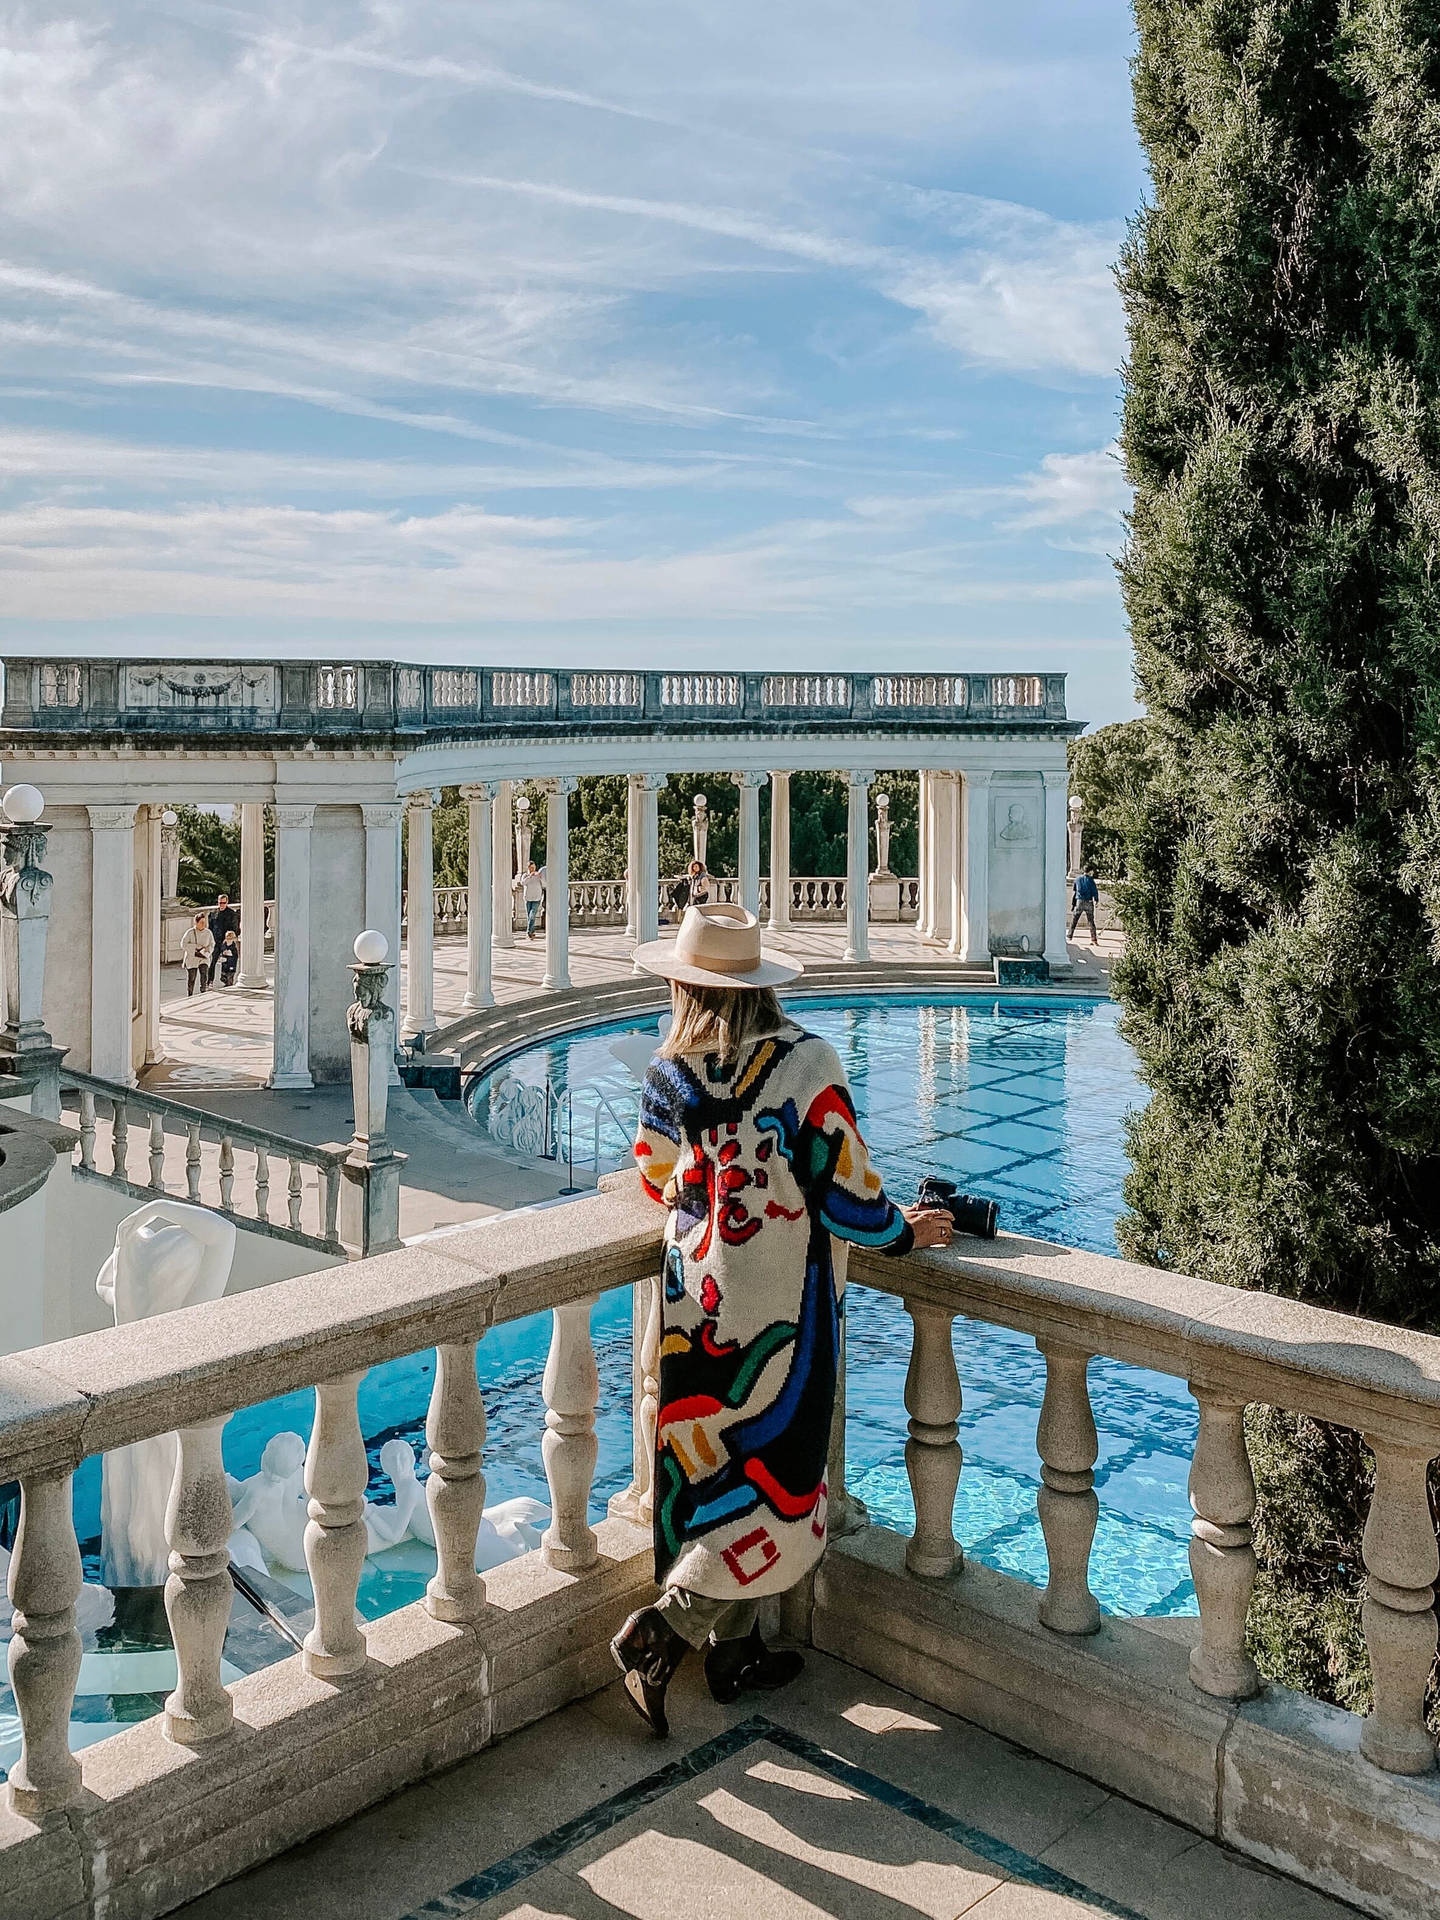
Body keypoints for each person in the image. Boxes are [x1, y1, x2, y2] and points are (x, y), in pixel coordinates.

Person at [610, 903, 952, 1736]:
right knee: (779, 1479)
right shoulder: (807, 1062)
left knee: (714, 1472)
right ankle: (663, 1632)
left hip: (694, 1304)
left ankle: (736, 1651)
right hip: (780, 1307)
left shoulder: (670, 1071)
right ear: (763, 986)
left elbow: (656, 1178)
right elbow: (846, 1191)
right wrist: (907, 1230)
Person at [207, 892, 240, 982]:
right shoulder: (213, 914)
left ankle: (226, 978)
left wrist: (229, 939)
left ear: (227, 902)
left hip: (227, 942)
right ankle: (209, 981)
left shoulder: (232, 914)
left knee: (227, 962)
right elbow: (210, 929)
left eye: (223, 903)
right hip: (216, 941)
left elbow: (236, 929)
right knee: (212, 962)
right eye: (220, 903)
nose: (221, 905)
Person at [180, 913, 213, 995]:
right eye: (201, 922)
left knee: (204, 974)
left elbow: (212, 944)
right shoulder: (190, 932)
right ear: (196, 922)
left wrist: (208, 950)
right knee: (192, 978)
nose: (203, 924)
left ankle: (203, 992)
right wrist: (195, 946)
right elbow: (183, 944)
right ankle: (190, 994)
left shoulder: (208, 932)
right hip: (192, 959)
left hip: (204, 958)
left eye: (204, 922)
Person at [1069, 867, 1101, 946]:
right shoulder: (1090, 880)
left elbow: (1075, 892)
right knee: (1091, 921)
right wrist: (1096, 900)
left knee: (1075, 919)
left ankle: (1070, 935)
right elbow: (1094, 891)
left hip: (1079, 901)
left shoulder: (1077, 879)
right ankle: (1094, 939)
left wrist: (1073, 905)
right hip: (1089, 901)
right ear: (1090, 871)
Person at [515, 861, 545, 939]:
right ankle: (532, 931)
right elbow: (523, 883)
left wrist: (540, 877)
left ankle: (528, 932)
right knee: (530, 916)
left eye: (534, 867)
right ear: (528, 868)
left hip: (537, 898)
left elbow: (544, 884)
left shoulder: (538, 875)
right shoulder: (525, 875)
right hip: (528, 898)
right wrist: (530, 876)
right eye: (531, 867)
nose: (533, 869)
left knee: (532, 915)